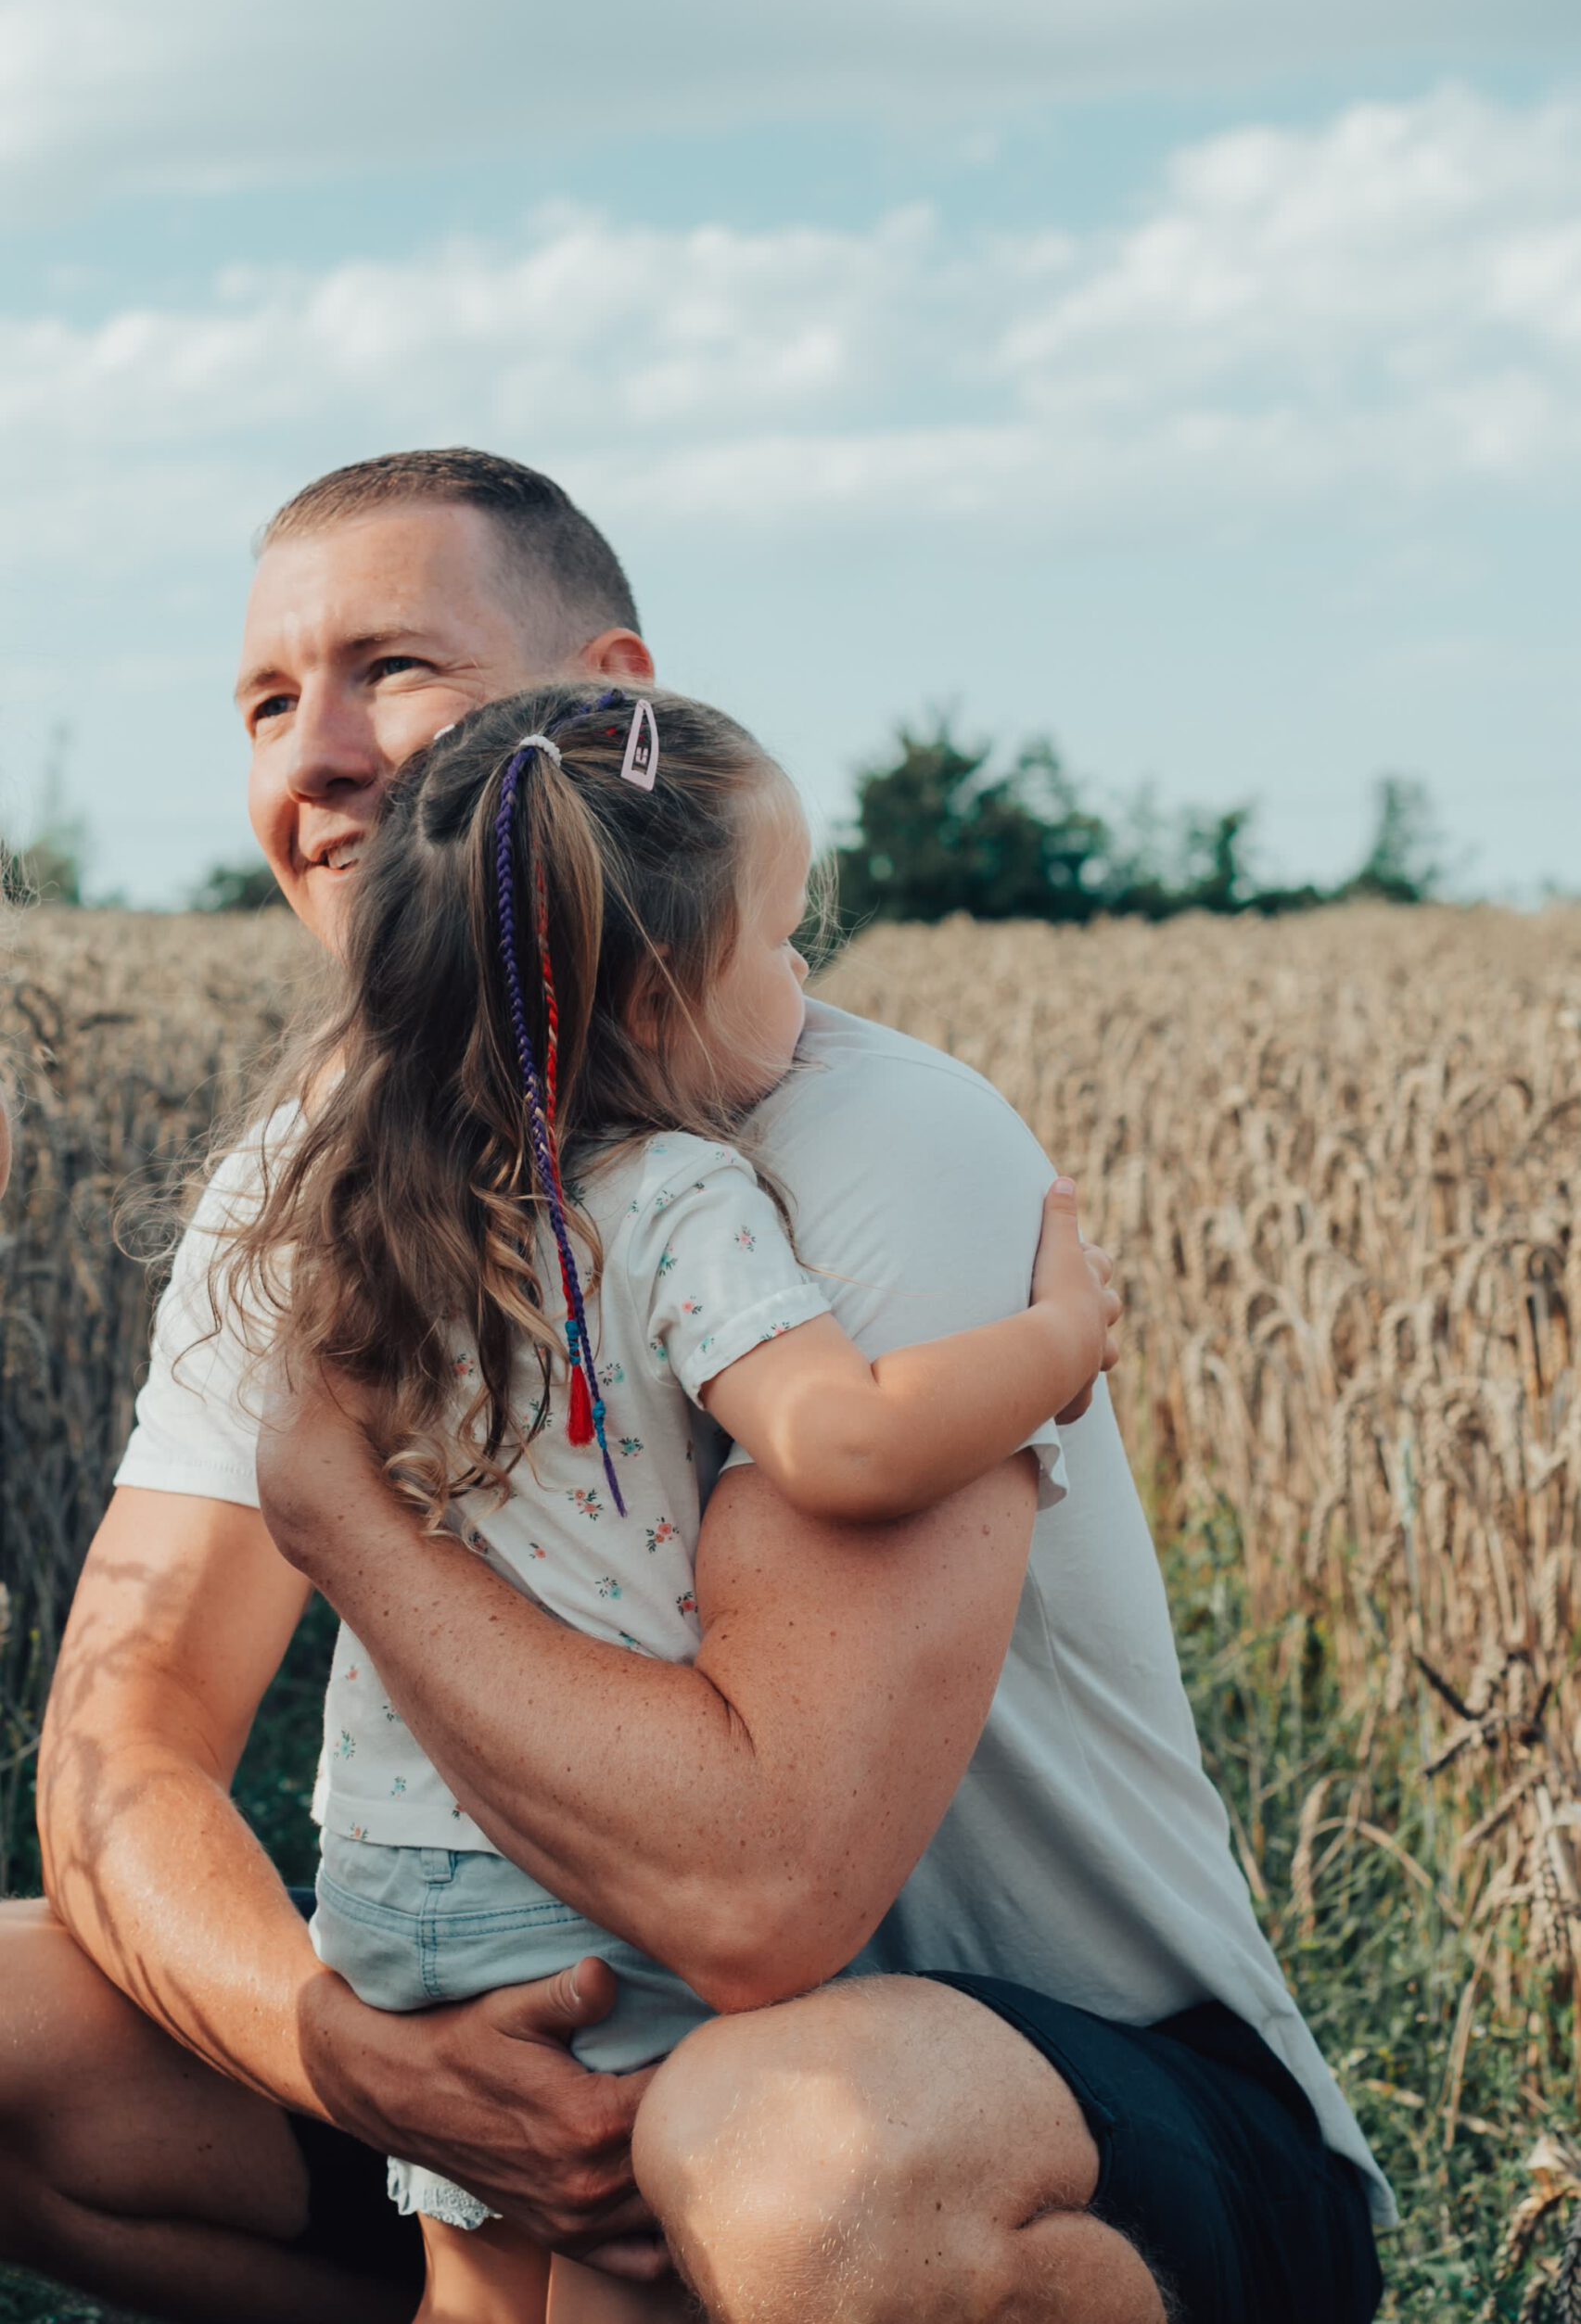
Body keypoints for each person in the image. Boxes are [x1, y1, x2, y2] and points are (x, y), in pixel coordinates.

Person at [2, 449, 1389, 2324]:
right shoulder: (319, 1185)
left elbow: (757, 1896)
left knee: (784, 2160)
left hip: (1041, 2102)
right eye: (264, 701)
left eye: (390, 669)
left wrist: (348, 1525)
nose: (314, 757)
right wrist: (356, 2058)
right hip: (569, 2040)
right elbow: (122, 1742)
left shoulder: (870, 1146)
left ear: (610, 706)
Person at [220, 676, 1118, 2319]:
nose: (803, 984)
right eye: (781, 942)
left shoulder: (381, 1202)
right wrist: (1056, 1345)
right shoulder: (678, 1198)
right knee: (630, 2266)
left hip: (386, 1863)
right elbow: (840, 1444)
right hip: (578, 1882)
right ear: (650, 1004)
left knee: (473, 2288)